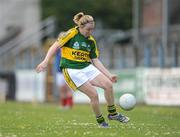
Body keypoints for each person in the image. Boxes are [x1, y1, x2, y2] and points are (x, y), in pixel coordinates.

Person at [36, 12, 129, 128]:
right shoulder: (71, 33)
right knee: (94, 95)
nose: (90, 32)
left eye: (92, 29)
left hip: (86, 67)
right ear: (81, 27)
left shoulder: (91, 41)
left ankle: (113, 114)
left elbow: (95, 61)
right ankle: (101, 121)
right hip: (71, 70)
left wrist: (109, 75)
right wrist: (45, 61)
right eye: (88, 29)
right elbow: (55, 46)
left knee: (108, 85)